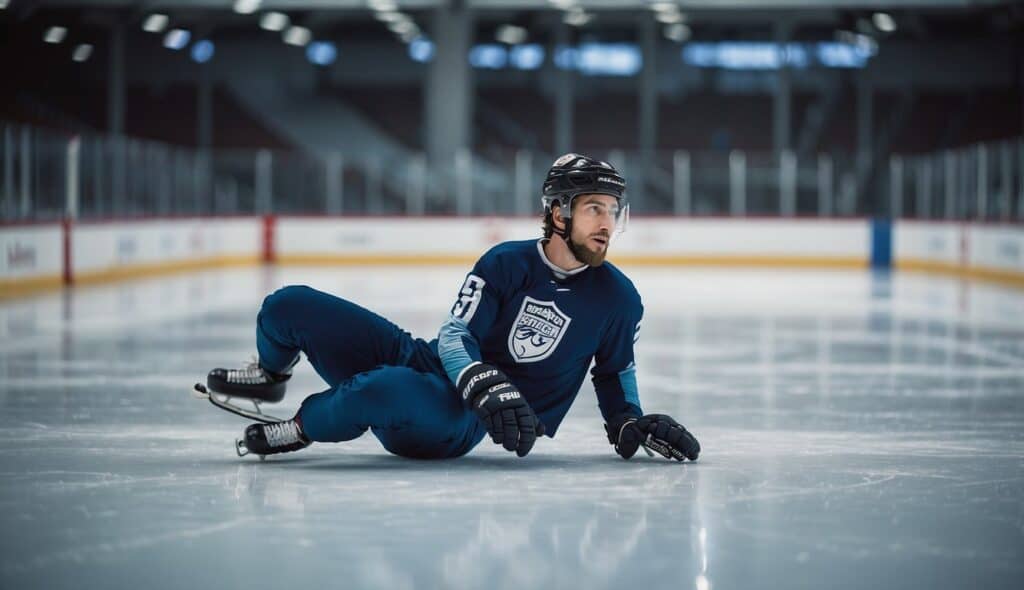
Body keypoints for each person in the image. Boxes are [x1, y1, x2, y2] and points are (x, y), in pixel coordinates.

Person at [206, 153, 700, 462]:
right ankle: (271, 376)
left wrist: (627, 422)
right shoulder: (506, 262)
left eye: (614, 211)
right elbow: (455, 335)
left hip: (457, 419)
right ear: (559, 211)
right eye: (596, 207)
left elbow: (615, 372)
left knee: (382, 389)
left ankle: (300, 427)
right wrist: (477, 376)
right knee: (287, 304)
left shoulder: (618, 298)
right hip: (432, 365)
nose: (607, 223)